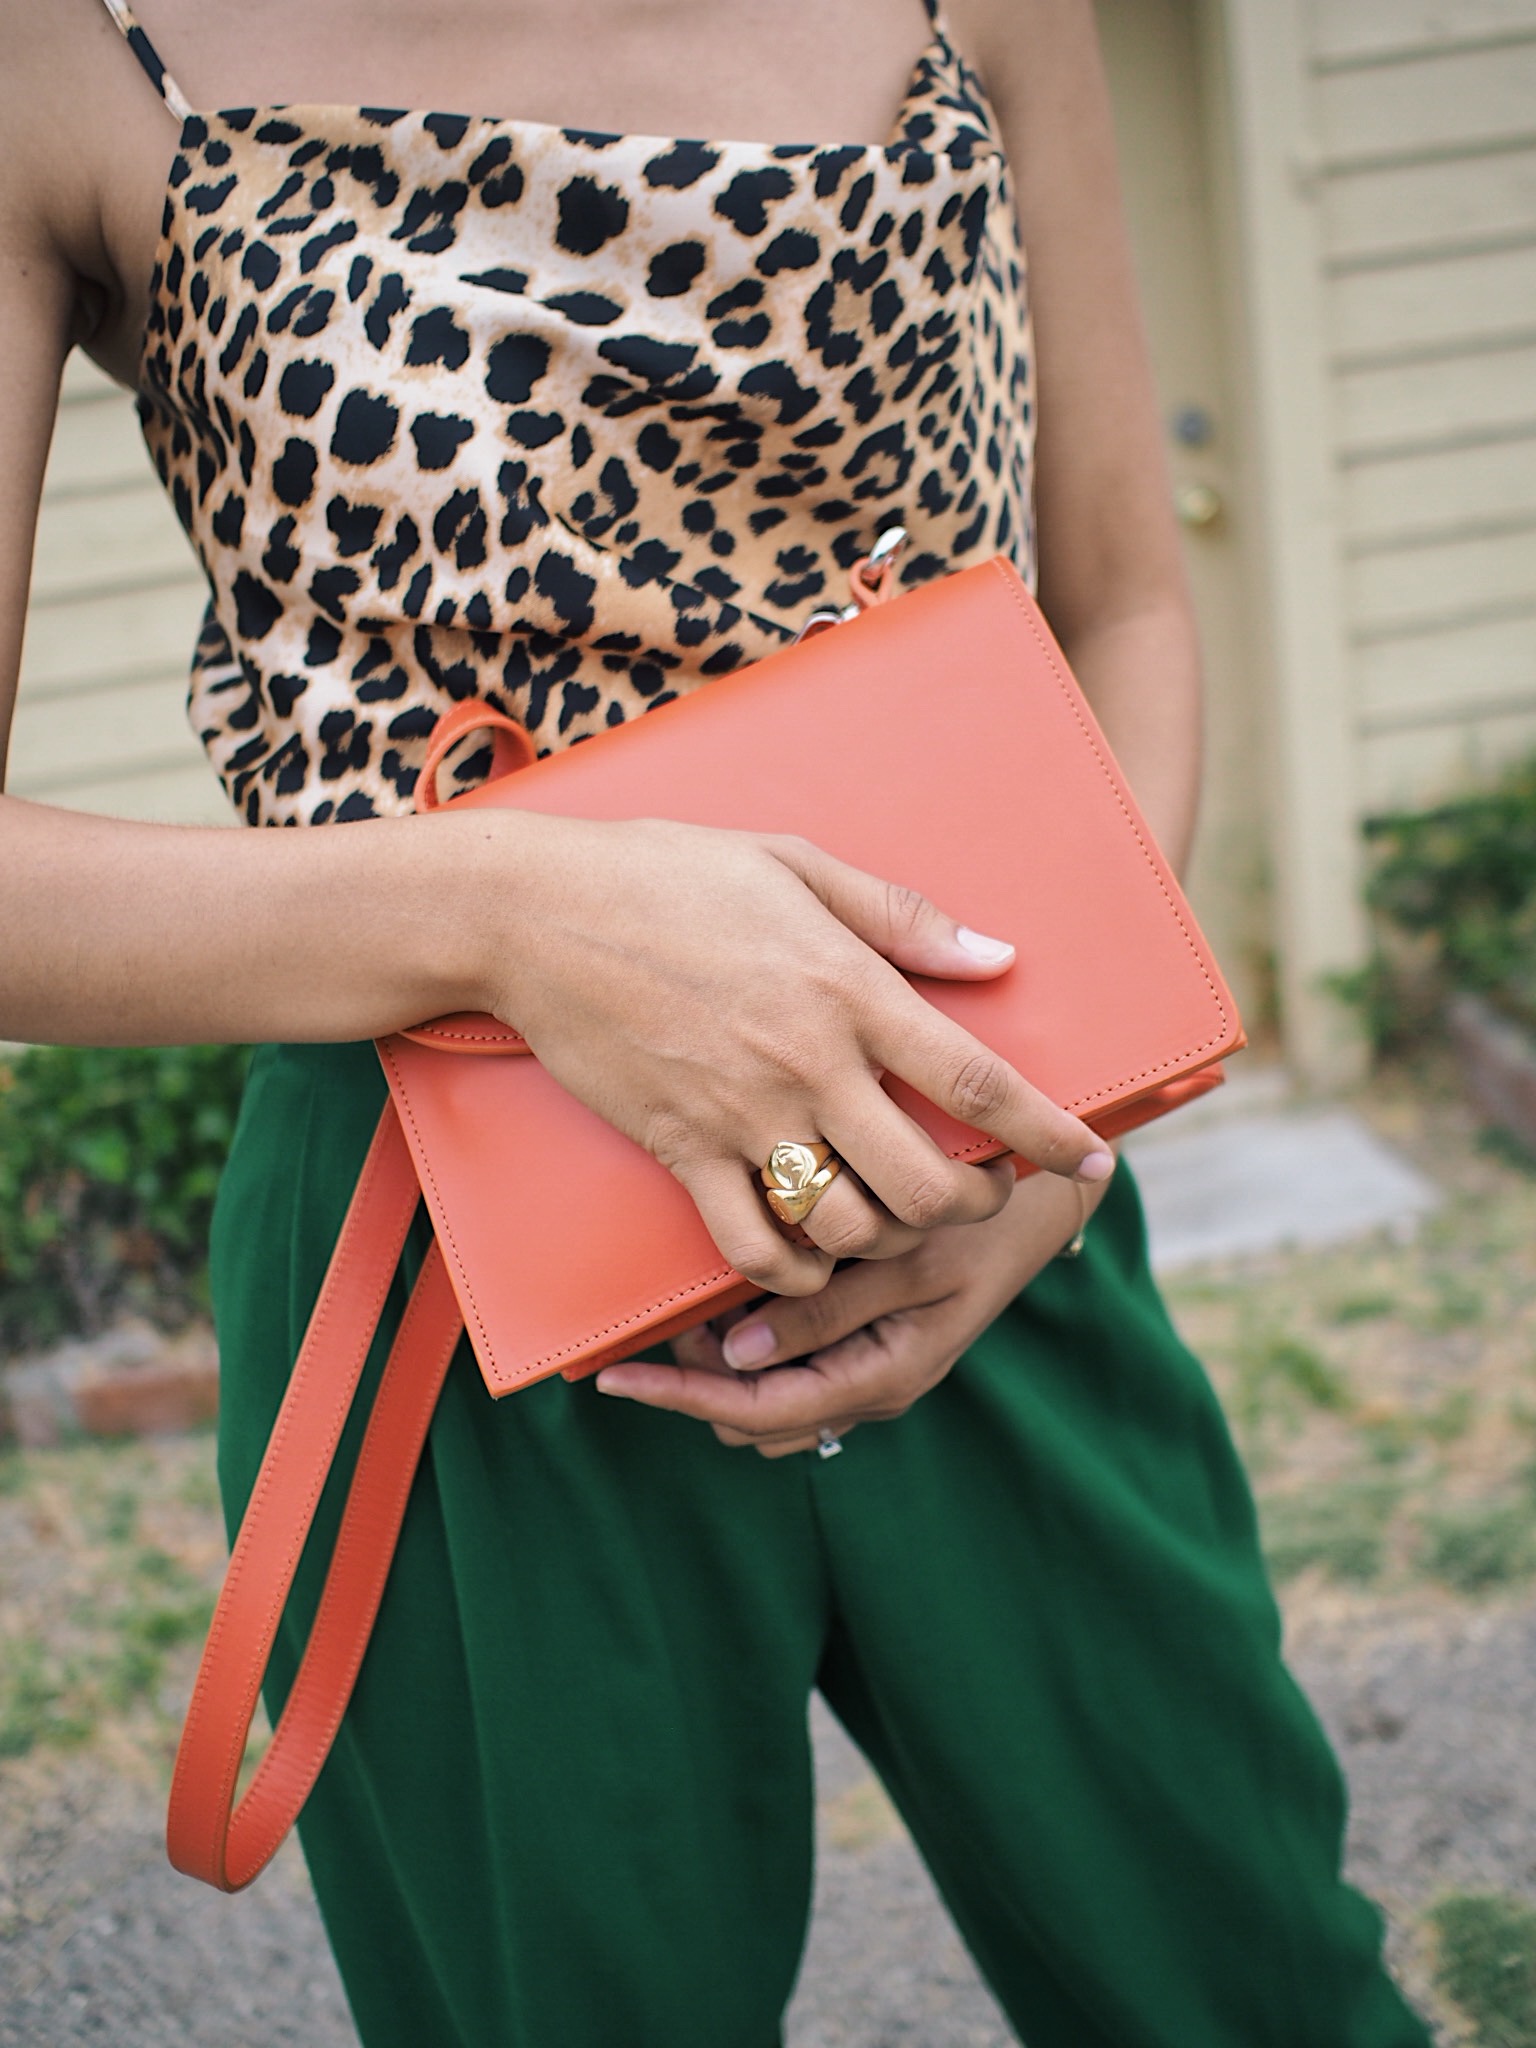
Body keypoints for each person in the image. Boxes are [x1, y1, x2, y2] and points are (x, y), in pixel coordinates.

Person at [1, 2, 1432, 2043]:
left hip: (978, 1185)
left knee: (1253, 1986)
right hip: (443, 1287)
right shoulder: (68, 52)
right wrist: (512, 908)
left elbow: (1121, 599)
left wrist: (1056, 1119)